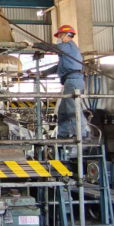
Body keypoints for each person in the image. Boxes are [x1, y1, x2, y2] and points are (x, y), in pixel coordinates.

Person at [34, 25, 87, 153]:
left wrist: (35, 44)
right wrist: (42, 73)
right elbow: (58, 67)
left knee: (73, 110)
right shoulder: (66, 52)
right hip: (69, 81)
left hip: (73, 81)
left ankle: (81, 135)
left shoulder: (69, 46)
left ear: (67, 35)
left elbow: (53, 47)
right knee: (63, 112)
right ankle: (63, 135)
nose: (59, 37)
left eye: (60, 35)